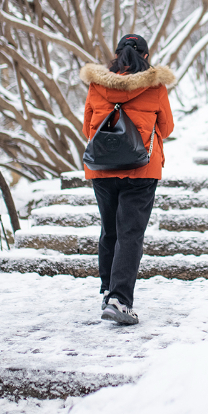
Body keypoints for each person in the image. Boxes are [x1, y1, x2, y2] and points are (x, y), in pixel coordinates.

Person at [80, 33, 175, 325]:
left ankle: (110, 290)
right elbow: (167, 127)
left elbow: (88, 129)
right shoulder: (155, 87)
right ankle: (120, 299)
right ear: (145, 57)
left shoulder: (97, 85)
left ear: (117, 56)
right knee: (130, 233)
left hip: (103, 169)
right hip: (141, 170)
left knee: (110, 230)